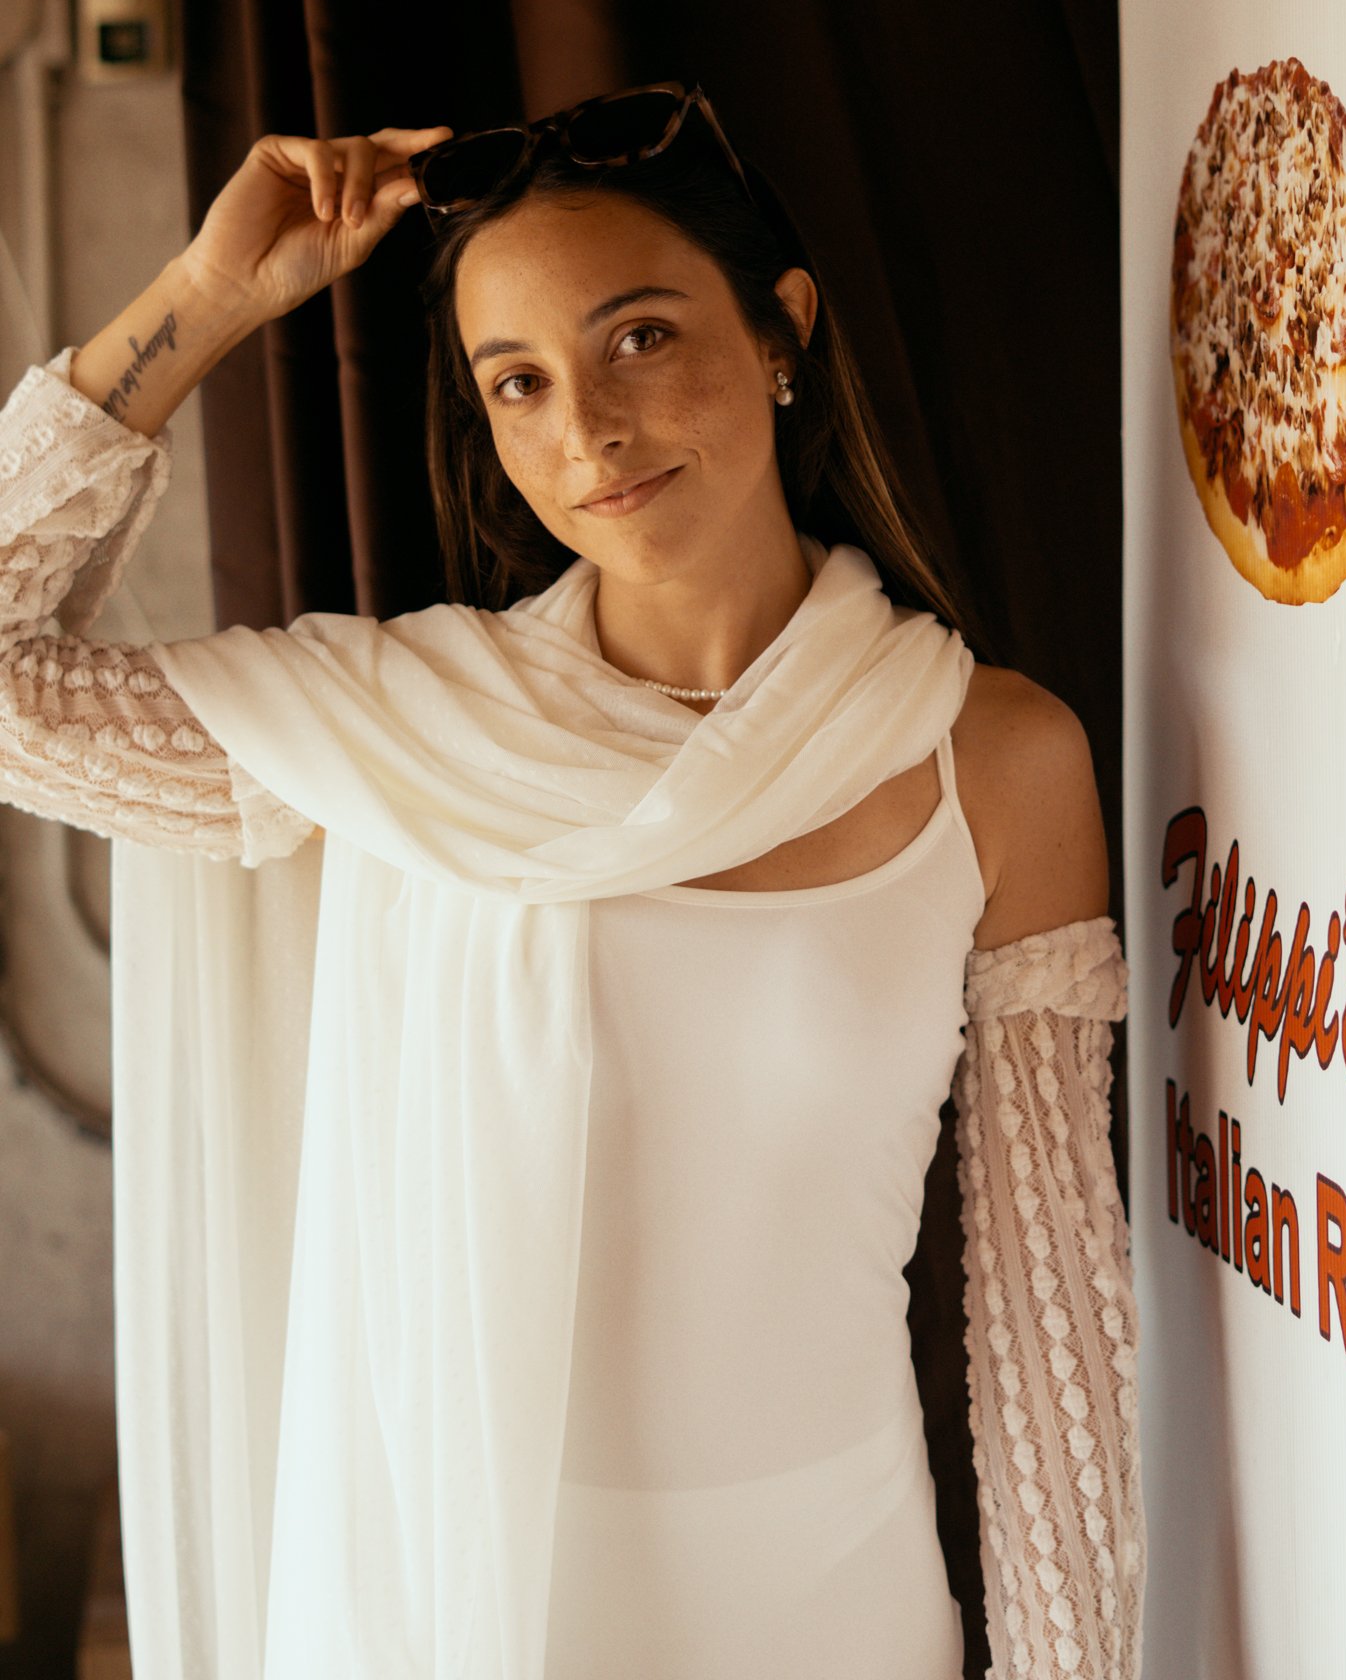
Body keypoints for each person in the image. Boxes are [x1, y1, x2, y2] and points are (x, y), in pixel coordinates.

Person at [0, 84, 1144, 1679]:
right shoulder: (400, 742)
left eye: (641, 339)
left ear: (780, 332)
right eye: (517, 383)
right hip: (456, 1613)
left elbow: (1048, 1325)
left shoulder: (993, 757)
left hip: (835, 1610)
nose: (586, 433)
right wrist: (201, 304)